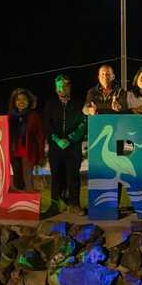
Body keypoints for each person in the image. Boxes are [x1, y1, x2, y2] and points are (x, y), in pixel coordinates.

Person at [43, 74, 86, 215]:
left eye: (65, 86)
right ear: (56, 89)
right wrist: (57, 139)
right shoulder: (50, 104)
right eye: (59, 87)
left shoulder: (79, 103)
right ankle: (54, 206)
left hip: (73, 148)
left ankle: (74, 205)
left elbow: (83, 123)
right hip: (56, 148)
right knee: (56, 178)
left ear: (70, 87)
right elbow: (47, 125)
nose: (62, 89)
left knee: (73, 177)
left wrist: (70, 139)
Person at [8, 88, 44, 192]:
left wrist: (41, 154)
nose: (21, 102)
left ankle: (29, 201)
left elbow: (40, 135)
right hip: (14, 150)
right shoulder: (10, 116)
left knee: (27, 177)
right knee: (16, 176)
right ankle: (19, 202)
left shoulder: (34, 115)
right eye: (18, 99)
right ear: (14, 102)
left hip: (28, 150)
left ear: (29, 101)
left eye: (24, 99)